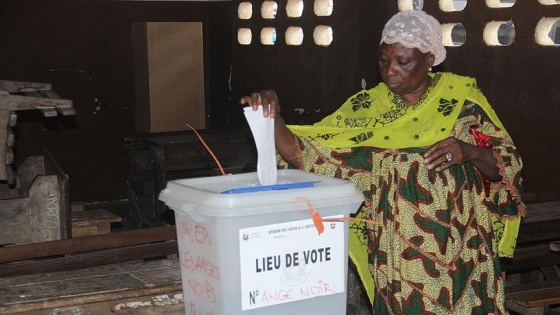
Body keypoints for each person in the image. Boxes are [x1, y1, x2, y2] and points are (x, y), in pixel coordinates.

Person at [240, 10, 525, 315]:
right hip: (399, 255)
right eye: (384, 61)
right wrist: (274, 119)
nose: (390, 72)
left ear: (430, 59)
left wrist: (469, 151)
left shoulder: (460, 102)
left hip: (463, 251)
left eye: (403, 62)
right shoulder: (367, 109)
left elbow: (506, 168)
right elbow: (309, 156)